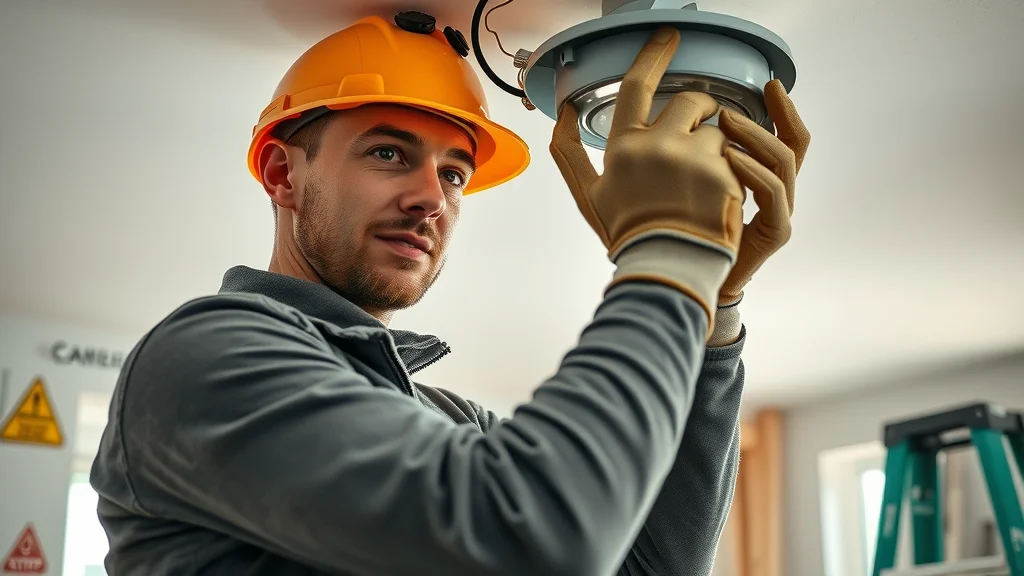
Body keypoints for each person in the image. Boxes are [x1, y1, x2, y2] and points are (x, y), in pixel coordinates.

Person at [90, 13, 809, 576]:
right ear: (283, 174)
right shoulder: (207, 358)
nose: (431, 199)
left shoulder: (448, 422)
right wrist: (671, 252)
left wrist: (711, 306)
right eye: (388, 153)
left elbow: (653, 569)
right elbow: (533, 538)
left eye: (455, 173)